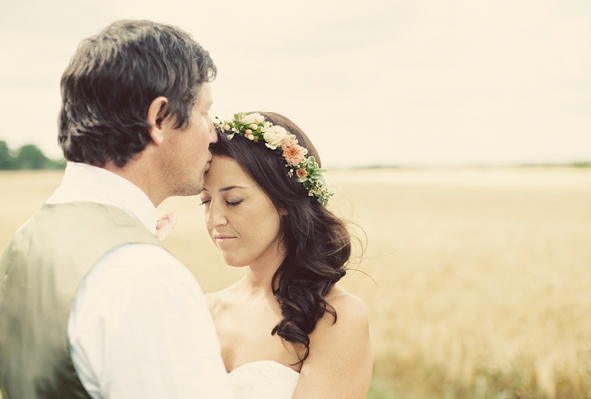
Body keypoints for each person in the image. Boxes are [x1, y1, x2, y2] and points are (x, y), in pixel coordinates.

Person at [0, 20, 234, 399]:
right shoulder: (143, 276)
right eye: (205, 113)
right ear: (158, 119)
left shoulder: (27, 237)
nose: (213, 133)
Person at [200, 112, 373, 399]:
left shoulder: (334, 317)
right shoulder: (202, 310)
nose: (213, 219)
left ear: (284, 199)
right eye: (205, 201)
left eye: (233, 201)